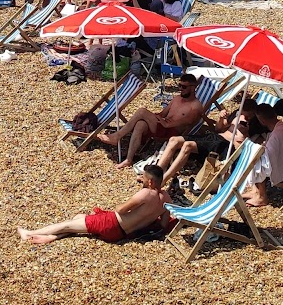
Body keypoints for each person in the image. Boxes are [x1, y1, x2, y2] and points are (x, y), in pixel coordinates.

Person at [17, 163, 167, 244]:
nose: (141, 180)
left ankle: (29, 233)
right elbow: (163, 224)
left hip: (111, 223)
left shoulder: (146, 193)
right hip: (122, 234)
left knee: (67, 224)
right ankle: (53, 237)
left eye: (144, 178)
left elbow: (121, 210)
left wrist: (120, 206)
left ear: (151, 182)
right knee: (80, 217)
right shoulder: (166, 199)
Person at [95, 78, 203, 168]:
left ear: (193, 87)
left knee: (142, 111)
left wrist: (165, 124)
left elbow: (189, 121)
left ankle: (117, 136)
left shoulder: (196, 106)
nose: (180, 89)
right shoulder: (177, 98)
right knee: (140, 124)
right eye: (179, 86)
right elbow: (163, 114)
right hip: (162, 126)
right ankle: (129, 159)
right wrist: (157, 117)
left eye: (184, 87)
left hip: (172, 133)